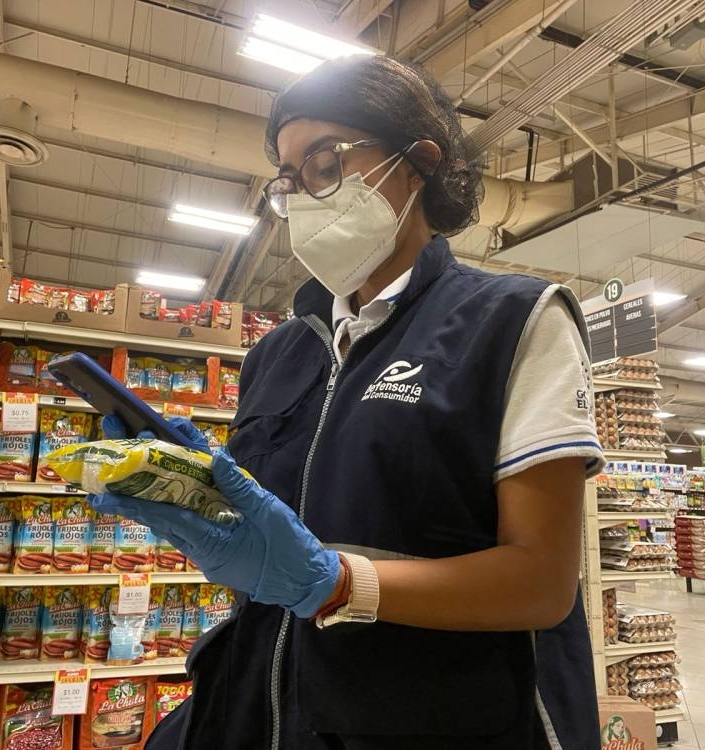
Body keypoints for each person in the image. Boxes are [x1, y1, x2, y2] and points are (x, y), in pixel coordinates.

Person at [95, 55, 604, 749]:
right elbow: (270, 547)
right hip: (265, 716)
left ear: (418, 163)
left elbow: (542, 583)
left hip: (439, 724)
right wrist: (191, 493)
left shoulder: (515, 321)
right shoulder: (279, 353)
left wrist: (341, 585)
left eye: (326, 162)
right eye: (288, 178)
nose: (304, 194)